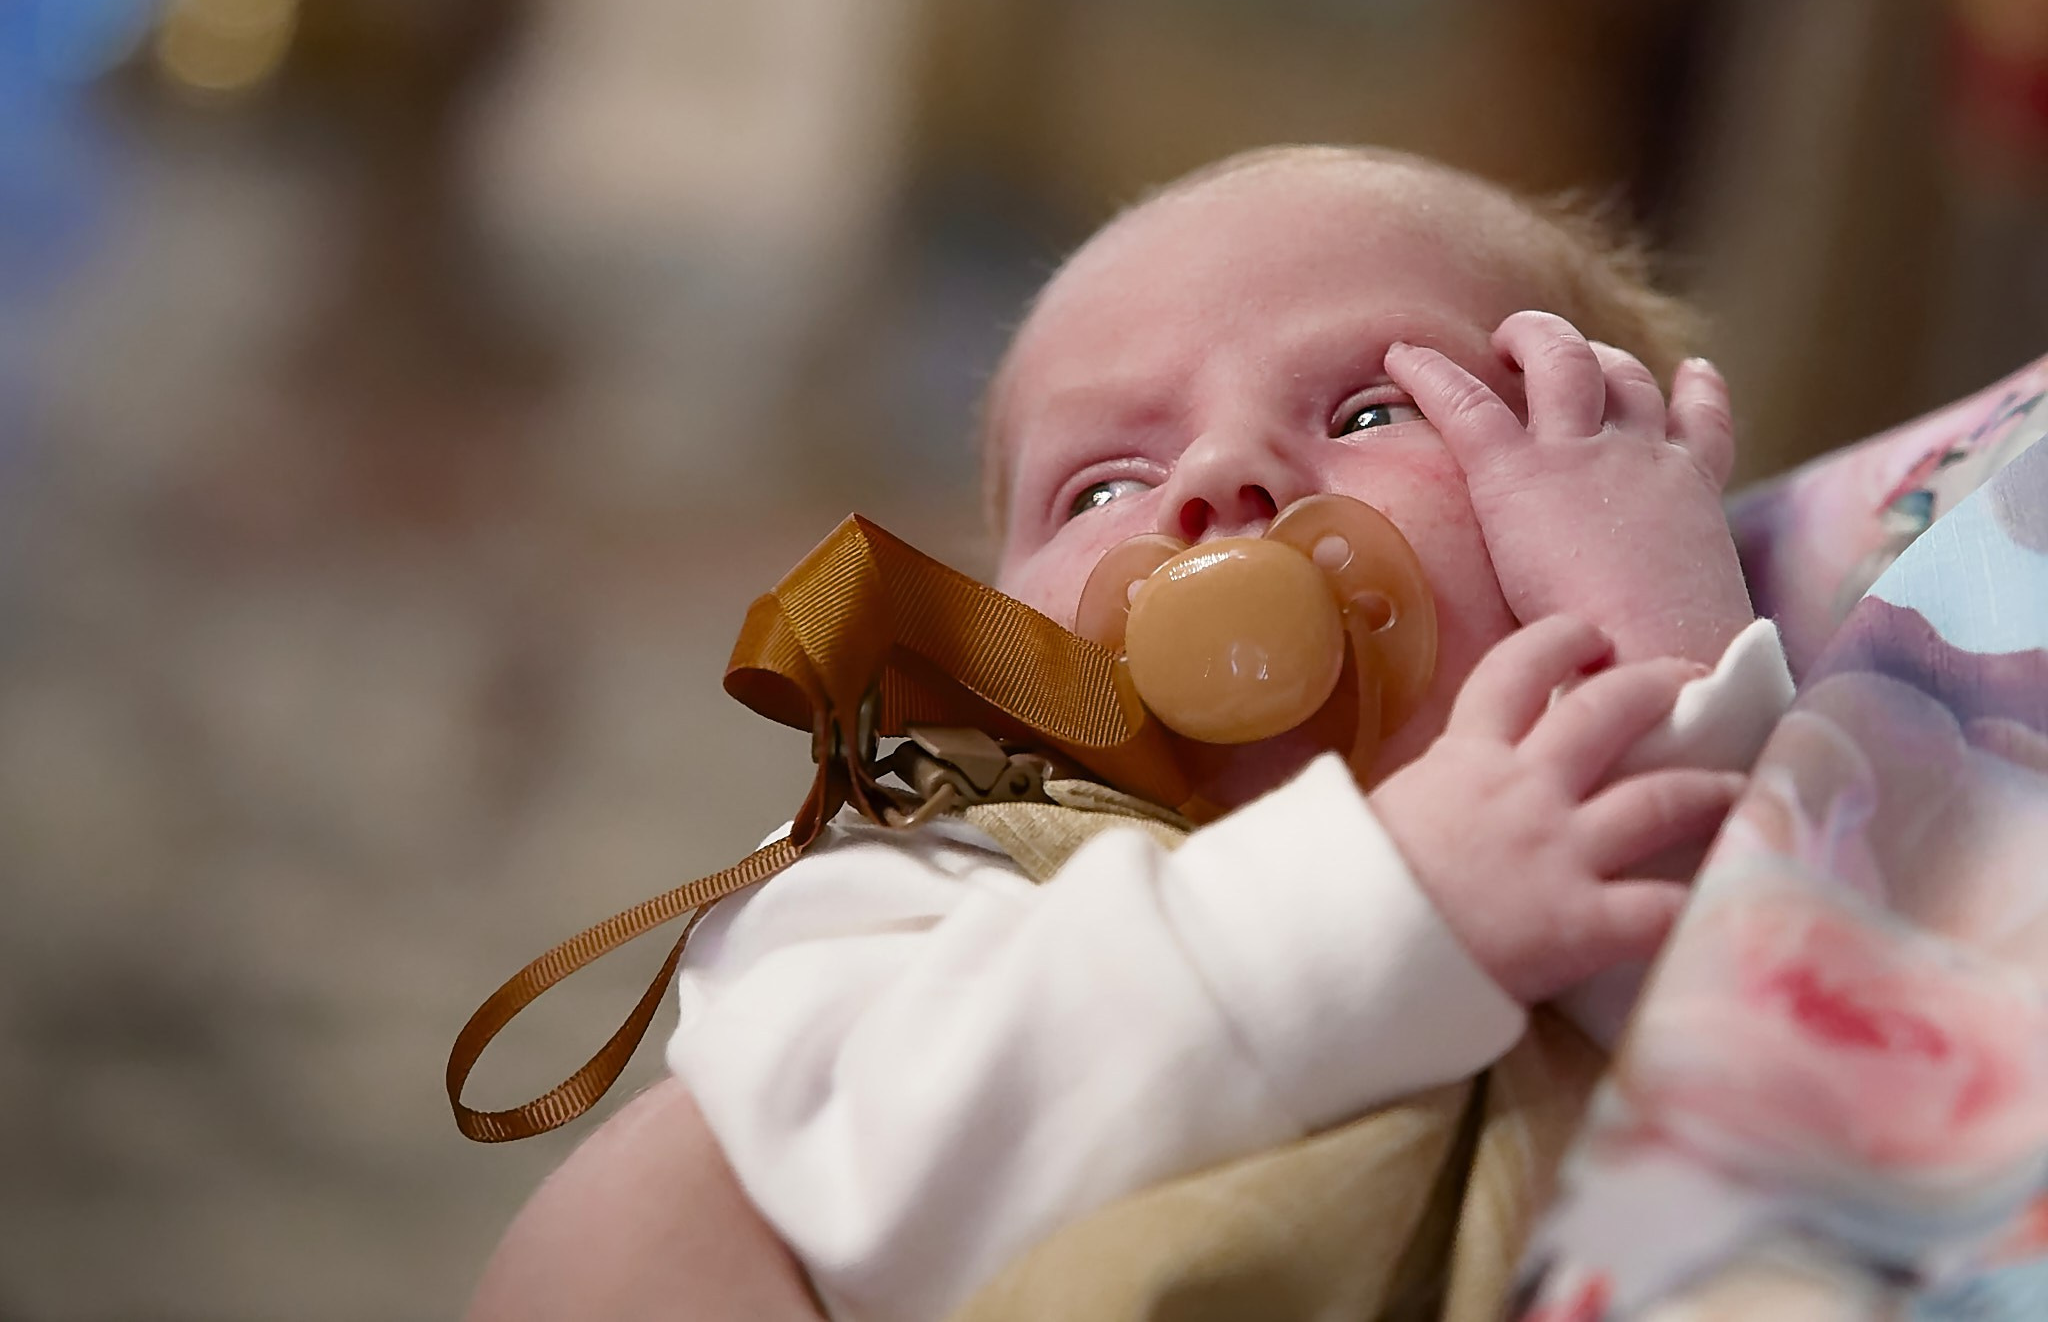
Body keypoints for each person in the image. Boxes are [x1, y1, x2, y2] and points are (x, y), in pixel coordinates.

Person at [464, 145, 1794, 1322]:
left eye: (1371, 411)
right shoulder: (933, 860)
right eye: (1103, 483)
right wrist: (1381, 905)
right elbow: (870, 1178)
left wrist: (1650, 617)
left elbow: (1790, 1016)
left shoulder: (1610, 784)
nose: (1220, 474)